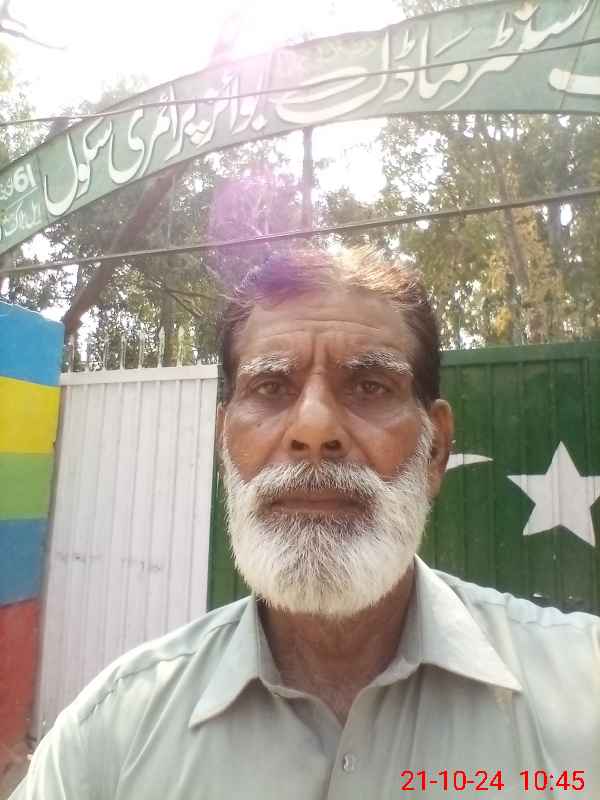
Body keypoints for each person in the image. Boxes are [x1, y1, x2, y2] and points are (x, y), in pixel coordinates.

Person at [11, 247, 599, 799]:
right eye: (271, 387)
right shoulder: (107, 740)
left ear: (435, 451)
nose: (314, 430)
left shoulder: (585, 693)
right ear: (224, 442)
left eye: (369, 386)